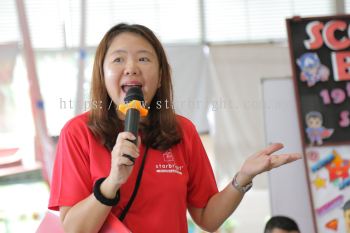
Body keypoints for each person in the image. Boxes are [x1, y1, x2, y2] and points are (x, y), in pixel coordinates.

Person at [48, 23, 301, 233]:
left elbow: (208, 218)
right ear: (102, 75)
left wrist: (243, 177)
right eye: (118, 59)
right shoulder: (78, 132)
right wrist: (112, 181)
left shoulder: (182, 131)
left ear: (159, 77)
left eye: (144, 58)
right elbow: (73, 230)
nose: (131, 67)